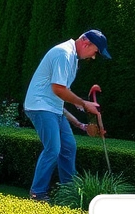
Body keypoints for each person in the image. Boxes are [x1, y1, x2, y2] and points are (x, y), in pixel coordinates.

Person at [23, 30, 111, 202]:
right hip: (39, 106)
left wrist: (81, 123)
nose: (93, 57)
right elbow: (58, 89)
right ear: (86, 43)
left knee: (69, 147)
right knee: (53, 149)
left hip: (52, 107)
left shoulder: (72, 58)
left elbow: (62, 93)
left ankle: (69, 192)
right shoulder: (64, 54)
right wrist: (85, 104)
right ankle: (37, 194)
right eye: (95, 52)